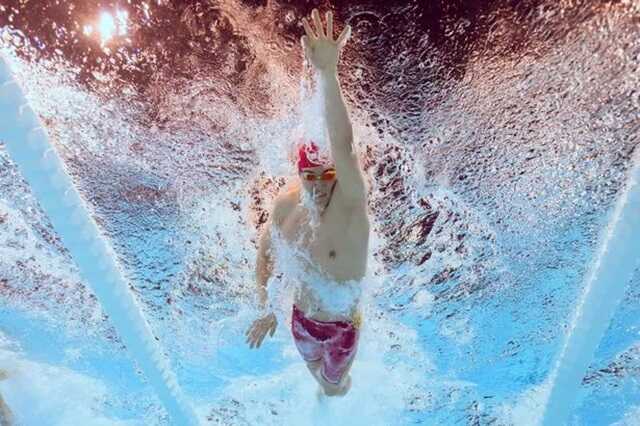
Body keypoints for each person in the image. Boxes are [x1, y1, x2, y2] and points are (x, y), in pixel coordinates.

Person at [245, 9, 369, 397]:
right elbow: (265, 251)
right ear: (298, 174)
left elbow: (344, 148)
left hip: (340, 330)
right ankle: (318, 383)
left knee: (335, 388)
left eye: (326, 177)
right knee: (312, 371)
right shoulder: (286, 204)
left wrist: (328, 74)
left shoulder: (351, 209)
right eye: (308, 177)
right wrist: (264, 307)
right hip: (300, 321)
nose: (317, 186)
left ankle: (330, 393)